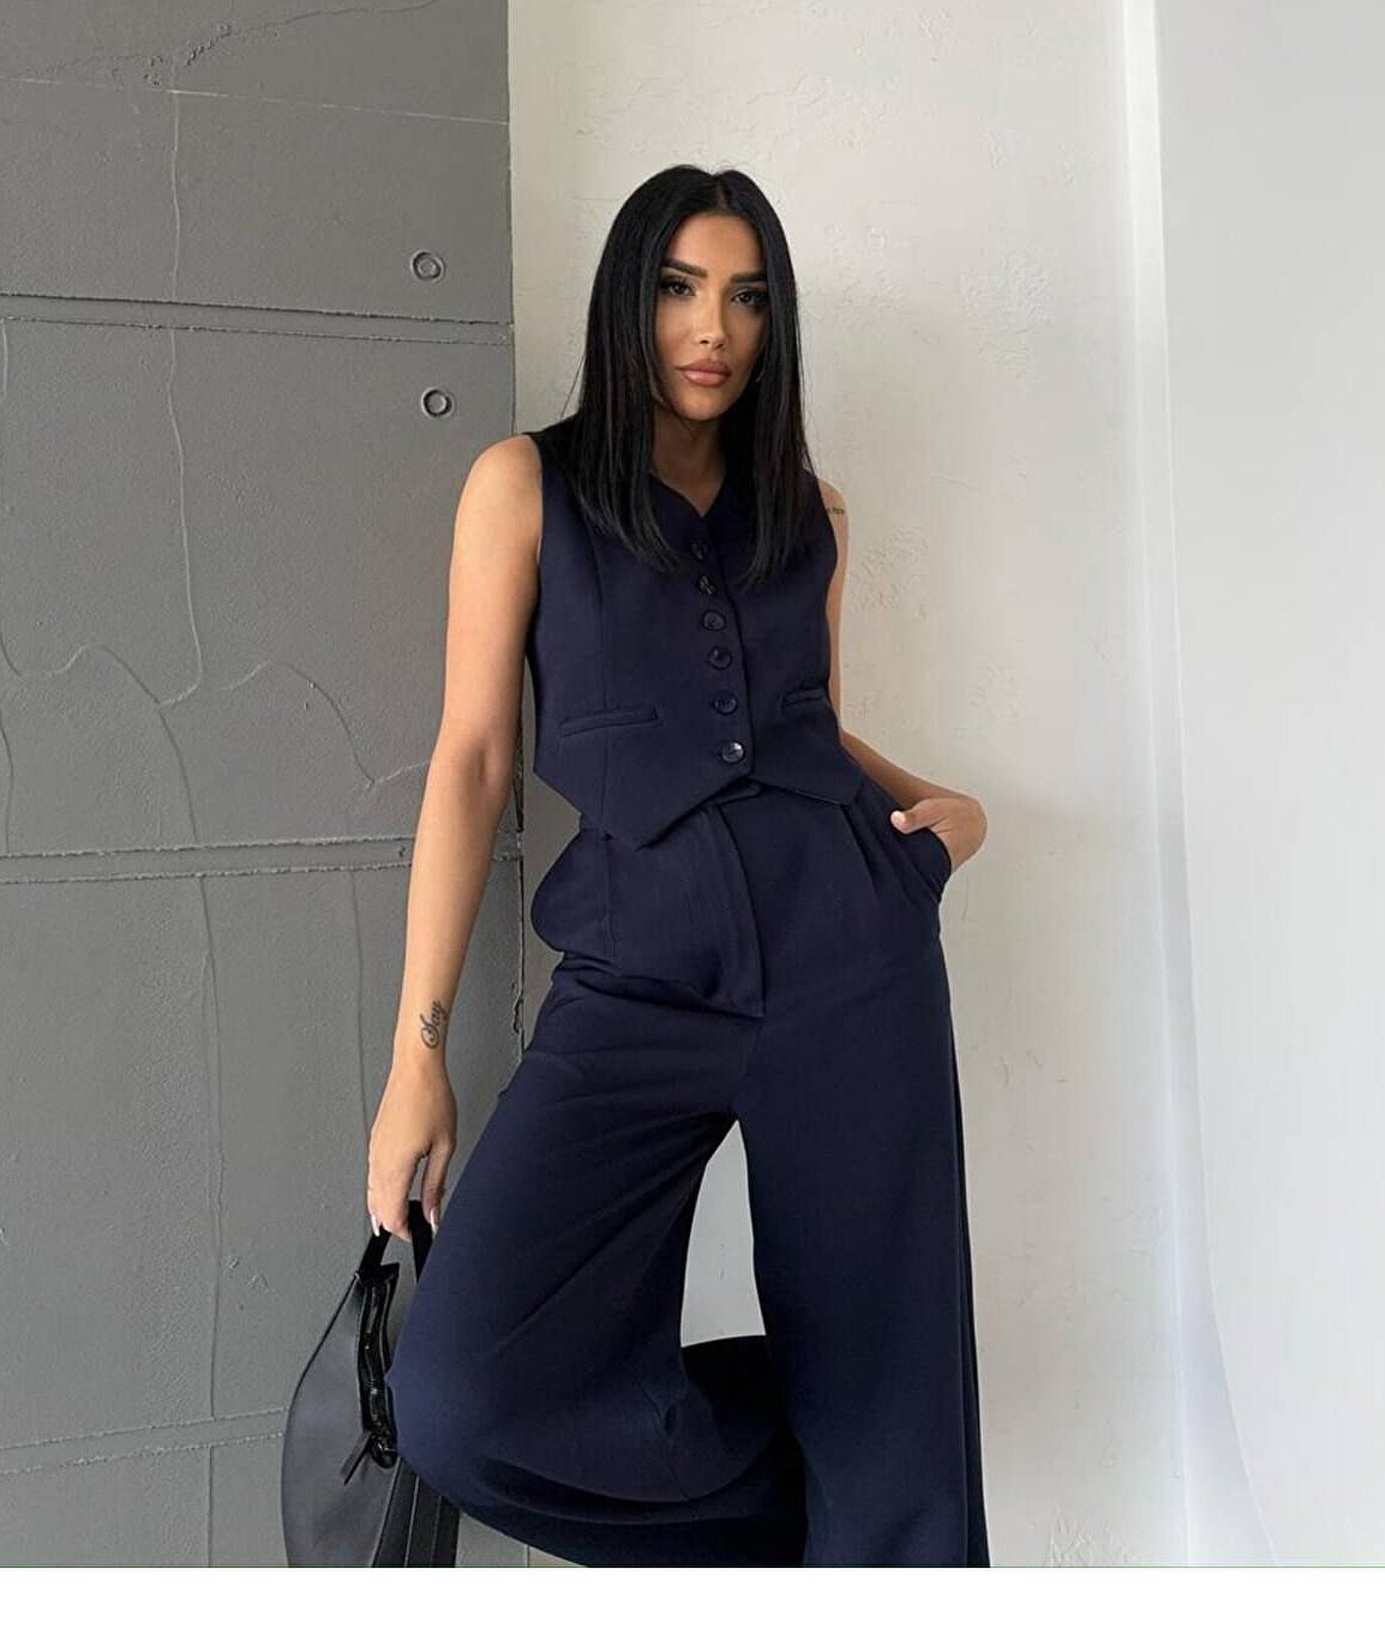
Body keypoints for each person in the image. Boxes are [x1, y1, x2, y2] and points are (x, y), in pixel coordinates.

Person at [367, 164, 990, 1567]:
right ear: (628, 300)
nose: (713, 328)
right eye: (680, 288)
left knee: (893, 1388)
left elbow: (804, 730)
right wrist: (420, 1056)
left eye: (747, 298)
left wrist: (946, 821)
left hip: (851, 960)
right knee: (466, 1396)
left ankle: (890, 1526)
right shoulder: (524, 486)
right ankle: (840, 1503)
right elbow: (473, 760)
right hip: (640, 970)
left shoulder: (813, 515)